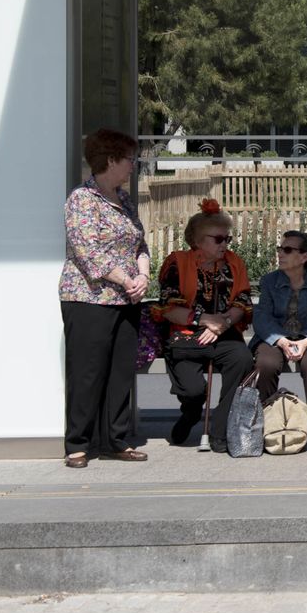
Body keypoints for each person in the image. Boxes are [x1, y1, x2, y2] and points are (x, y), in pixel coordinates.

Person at [57, 128, 150, 468]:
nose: (133, 166)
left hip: (126, 298)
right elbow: (88, 252)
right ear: (110, 160)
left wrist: (143, 275)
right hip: (88, 299)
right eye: (130, 159)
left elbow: (139, 243)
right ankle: (78, 444)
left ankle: (115, 439)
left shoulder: (124, 199)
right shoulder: (82, 199)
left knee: (120, 372)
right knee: (87, 372)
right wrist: (127, 279)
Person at [155, 199, 255, 455]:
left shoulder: (234, 263)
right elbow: (169, 306)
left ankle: (220, 431)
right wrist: (205, 320)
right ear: (198, 240)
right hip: (186, 333)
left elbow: (242, 299)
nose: (224, 245)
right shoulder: (177, 262)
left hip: (224, 330)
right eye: (218, 239)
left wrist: (224, 323)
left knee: (242, 359)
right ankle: (190, 412)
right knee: (194, 389)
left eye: (227, 239)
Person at [250, 230, 307, 455]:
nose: (280, 253)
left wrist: (306, 341)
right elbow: (262, 317)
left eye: (288, 250)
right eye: (280, 248)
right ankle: (269, 424)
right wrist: (280, 340)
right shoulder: (270, 281)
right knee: (265, 363)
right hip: (277, 336)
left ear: (305, 257)